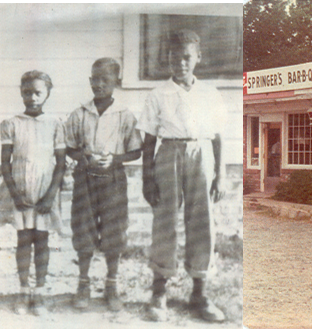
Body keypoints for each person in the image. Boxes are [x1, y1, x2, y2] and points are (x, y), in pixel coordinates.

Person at [139, 29, 230, 323]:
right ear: (167, 59)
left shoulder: (210, 93)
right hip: (168, 154)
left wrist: (221, 174)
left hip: (201, 154)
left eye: (186, 57)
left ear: (198, 58)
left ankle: (199, 293)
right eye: (174, 57)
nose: (180, 63)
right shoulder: (158, 94)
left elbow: (218, 138)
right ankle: (159, 291)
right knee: (164, 222)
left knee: (202, 222)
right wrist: (146, 177)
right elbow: (149, 140)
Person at [64, 57, 141, 312]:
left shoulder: (125, 115)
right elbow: (70, 148)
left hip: (113, 179)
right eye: (94, 79)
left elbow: (135, 151)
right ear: (89, 80)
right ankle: (83, 284)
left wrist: (115, 159)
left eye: (105, 80)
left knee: (114, 229)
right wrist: (84, 158)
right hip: (85, 179)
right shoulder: (79, 114)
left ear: (116, 83)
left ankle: (111, 285)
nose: (98, 84)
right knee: (83, 228)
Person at [0, 70, 67, 316]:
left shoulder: (55, 124)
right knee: (23, 240)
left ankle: (41, 291)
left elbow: (60, 163)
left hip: (44, 190)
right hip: (22, 189)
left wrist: (50, 195)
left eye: (38, 92)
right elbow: (5, 163)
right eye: (27, 92)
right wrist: (14, 193)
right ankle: (24, 290)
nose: (32, 97)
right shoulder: (12, 124)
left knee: (42, 241)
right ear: (21, 93)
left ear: (47, 94)